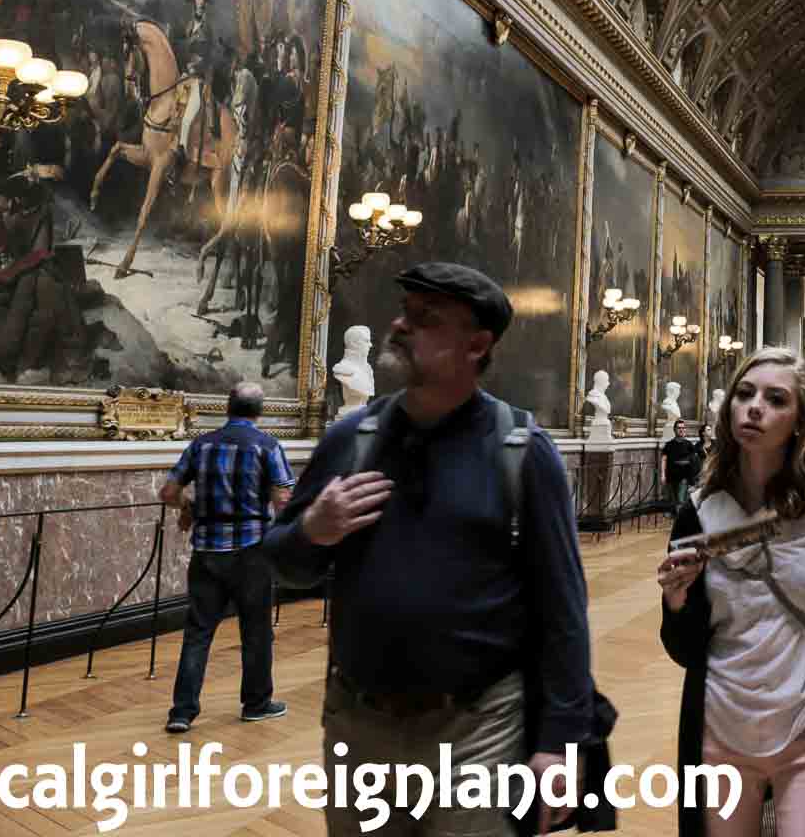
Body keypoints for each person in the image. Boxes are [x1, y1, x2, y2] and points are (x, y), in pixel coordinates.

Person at [261, 263, 601, 836]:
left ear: (476, 345)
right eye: (404, 311)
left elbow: (563, 608)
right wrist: (311, 531)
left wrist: (560, 741)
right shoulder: (351, 441)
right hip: (357, 725)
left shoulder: (521, 452)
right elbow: (285, 565)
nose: (399, 326)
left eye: (424, 320)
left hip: (478, 730)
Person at [658, 348, 805, 836]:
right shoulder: (699, 512)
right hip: (720, 727)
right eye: (744, 394)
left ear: (801, 419)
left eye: (774, 398)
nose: (754, 406)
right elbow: (685, 648)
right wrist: (676, 602)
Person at [159, 382, 292, 734]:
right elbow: (282, 502)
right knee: (256, 631)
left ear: (227, 407)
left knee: (199, 631)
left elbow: (169, 492)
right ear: (259, 411)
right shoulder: (268, 446)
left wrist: (188, 507)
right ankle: (256, 703)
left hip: (206, 552)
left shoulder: (201, 445)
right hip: (251, 553)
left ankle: (182, 712)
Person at [663, 418, 701, 512]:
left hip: (684, 477)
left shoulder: (689, 444)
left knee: (680, 500)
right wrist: (663, 475)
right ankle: (677, 516)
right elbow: (664, 459)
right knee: (674, 500)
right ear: (674, 430)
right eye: (679, 428)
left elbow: (695, 460)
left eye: (683, 428)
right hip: (671, 476)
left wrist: (693, 478)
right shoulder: (669, 444)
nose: (681, 430)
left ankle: (679, 520)